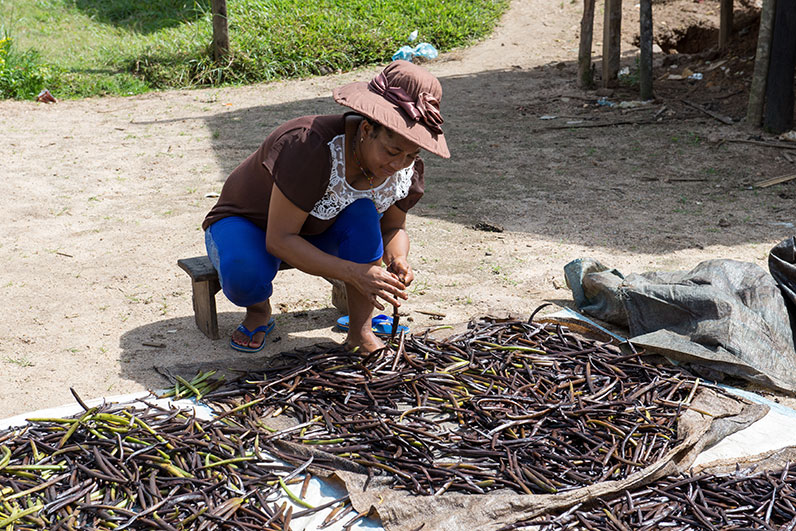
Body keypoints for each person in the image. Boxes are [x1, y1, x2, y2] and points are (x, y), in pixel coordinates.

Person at [202, 60, 450, 354]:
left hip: (319, 228)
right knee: (245, 273)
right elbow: (279, 239)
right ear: (367, 128)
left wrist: (398, 258)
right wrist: (354, 273)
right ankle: (258, 311)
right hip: (251, 223)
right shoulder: (309, 146)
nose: (398, 164)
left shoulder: (406, 167)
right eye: (392, 151)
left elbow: (393, 227)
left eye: (410, 155)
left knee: (363, 214)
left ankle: (360, 331)